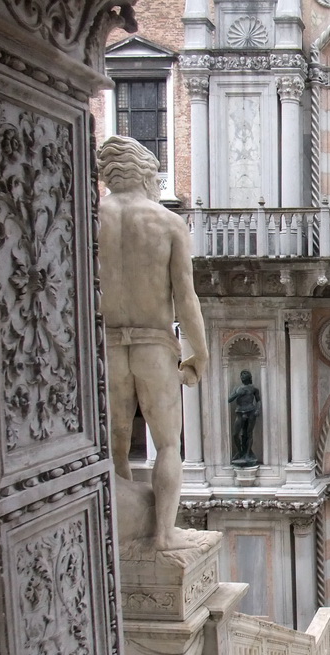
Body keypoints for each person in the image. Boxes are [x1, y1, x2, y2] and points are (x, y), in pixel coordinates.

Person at [98, 135, 209, 551]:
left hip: (107, 346)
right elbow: (186, 296)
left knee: (116, 443)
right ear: (147, 174)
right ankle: (163, 534)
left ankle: (115, 528)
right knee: (166, 443)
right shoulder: (166, 221)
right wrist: (200, 351)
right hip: (154, 343)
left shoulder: (91, 217)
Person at [228, 370, 261, 466]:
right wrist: (238, 393)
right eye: (241, 374)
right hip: (239, 412)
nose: (242, 376)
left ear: (249, 376)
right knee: (235, 434)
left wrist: (258, 410)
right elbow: (229, 399)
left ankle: (247, 454)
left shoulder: (254, 388)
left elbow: (258, 400)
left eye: (244, 374)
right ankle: (240, 451)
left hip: (250, 411)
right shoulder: (237, 388)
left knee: (248, 433)